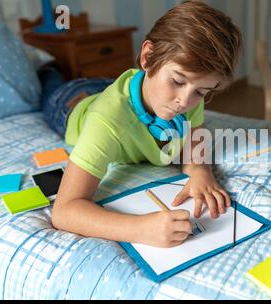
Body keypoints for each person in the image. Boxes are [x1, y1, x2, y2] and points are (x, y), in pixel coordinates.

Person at [48, 1, 242, 248]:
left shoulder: (190, 94)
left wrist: (199, 170)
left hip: (122, 85)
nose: (184, 101)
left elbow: (195, 135)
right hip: (69, 103)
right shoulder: (105, 120)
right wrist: (140, 228)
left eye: (201, 92)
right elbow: (64, 211)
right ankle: (48, 69)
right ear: (148, 56)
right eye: (177, 81)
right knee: (52, 83)